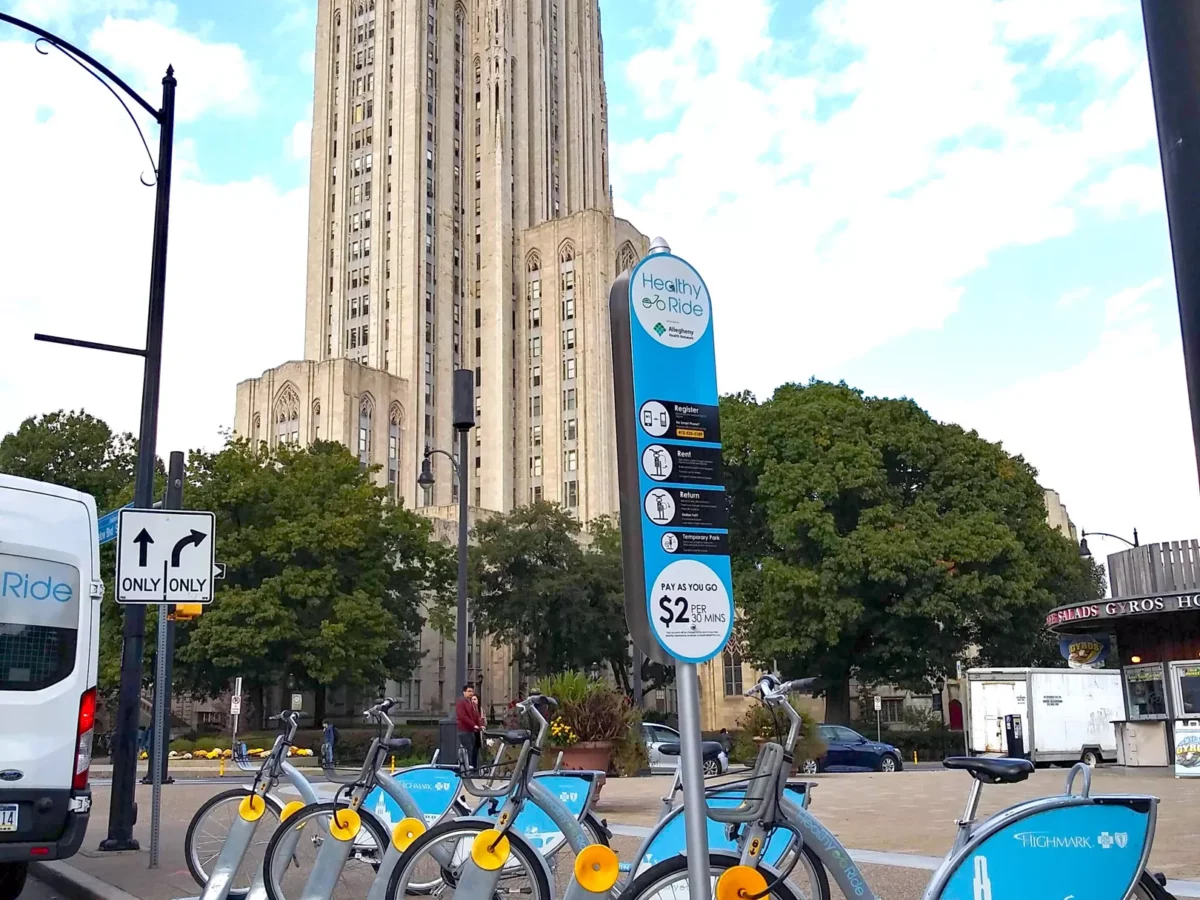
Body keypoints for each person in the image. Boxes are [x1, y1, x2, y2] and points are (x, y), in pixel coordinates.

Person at [455, 685, 485, 768]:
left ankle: (472, 768)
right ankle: (468, 770)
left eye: (472, 691)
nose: (471, 693)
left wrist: (480, 725)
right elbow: (463, 716)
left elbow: (476, 716)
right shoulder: (461, 703)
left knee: (473, 750)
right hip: (464, 731)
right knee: (468, 750)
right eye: (469, 691)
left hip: (471, 731)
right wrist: (474, 725)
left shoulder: (471, 703)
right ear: (464, 692)